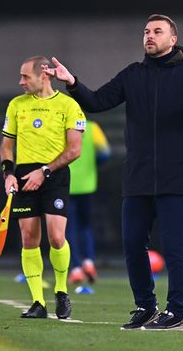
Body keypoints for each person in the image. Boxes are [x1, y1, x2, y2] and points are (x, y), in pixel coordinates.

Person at [44, 14, 183, 331]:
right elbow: (97, 101)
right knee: (132, 244)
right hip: (138, 176)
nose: (149, 36)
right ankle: (146, 306)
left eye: (157, 31)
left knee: (173, 246)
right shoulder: (132, 74)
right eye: (146, 31)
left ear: (172, 38)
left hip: (176, 177)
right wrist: (72, 83)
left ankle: (176, 311)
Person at [0, 55, 86, 319]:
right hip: (25, 175)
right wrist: (8, 174)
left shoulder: (69, 105)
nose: (21, 81)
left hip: (54, 174)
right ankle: (38, 301)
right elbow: (6, 144)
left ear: (44, 76)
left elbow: (74, 150)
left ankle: (61, 291)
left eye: (26, 76)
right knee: (28, 238)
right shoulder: (16, 105)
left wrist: (45, 171)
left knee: (57, 237)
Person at [67, 120, 111, 285]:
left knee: (68, 227)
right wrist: (92, 164)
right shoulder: (92, 128)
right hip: (87, 183)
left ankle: (76, 268)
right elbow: (105, 153)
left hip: (66, 184)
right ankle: (89, 262)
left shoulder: (61, 126)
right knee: (85, 225)